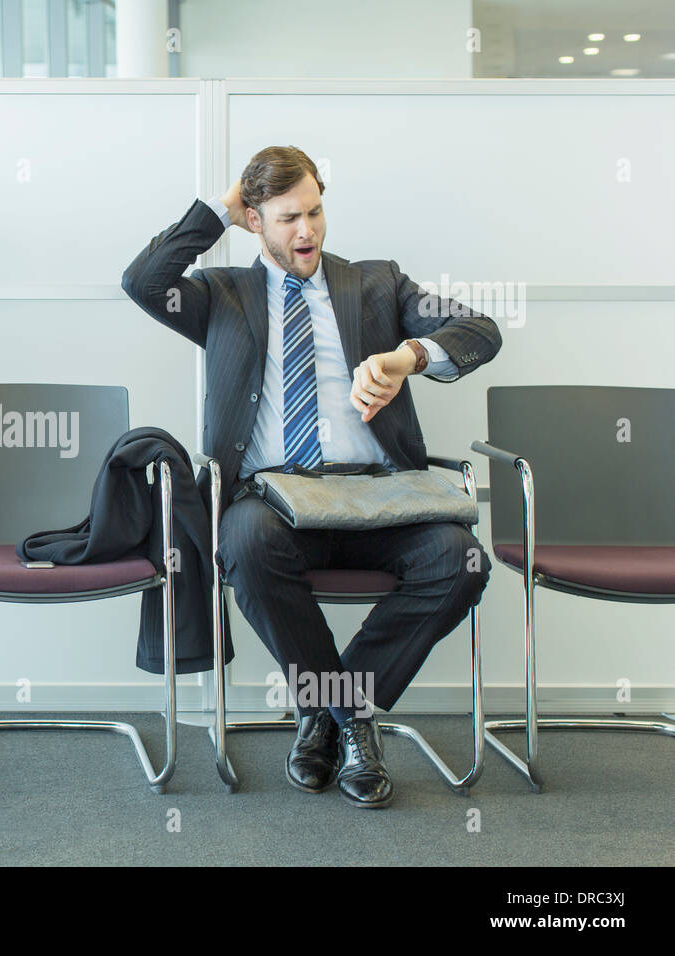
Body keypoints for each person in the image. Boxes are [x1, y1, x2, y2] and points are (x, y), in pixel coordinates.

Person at [121, 145, 501, 808]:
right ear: (256, 220)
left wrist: (409, 356)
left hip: (381, 495)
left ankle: (329, 713)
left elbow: (481, 328)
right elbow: (144, 280)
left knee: (462, 561)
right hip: (275, 499)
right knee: (241, 543)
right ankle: (352, 720)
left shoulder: (378, 284)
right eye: (288, 217)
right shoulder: (222, 296)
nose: (307, 231)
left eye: (316, 211)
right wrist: (218, 208)